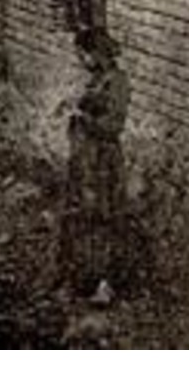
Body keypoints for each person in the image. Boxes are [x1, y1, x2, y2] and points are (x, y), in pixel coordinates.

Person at [63, 28, 130, 302]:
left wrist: (83, 119)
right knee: (83, 215)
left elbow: (114, 125)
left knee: (104, 217)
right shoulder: (97, 79)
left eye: (84, 54)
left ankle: (106, 283)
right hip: (87, 159)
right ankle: (84, 277)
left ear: (96, 53)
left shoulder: (117, 82)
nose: (81, 60)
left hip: (103, 161)